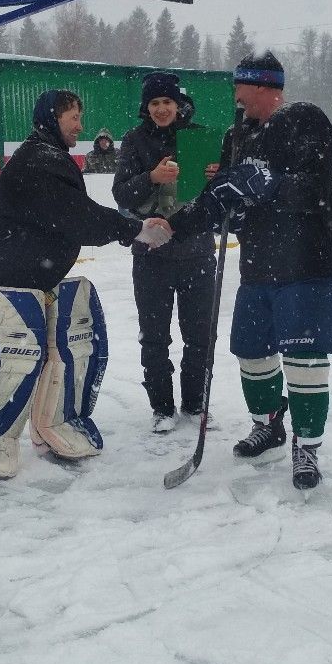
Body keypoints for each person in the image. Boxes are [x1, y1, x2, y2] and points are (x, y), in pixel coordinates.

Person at [0, 89, 171, 483]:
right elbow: (79, 217)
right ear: (53, 118)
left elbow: (74, 217)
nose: (80, 126)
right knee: (7, 362)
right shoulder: (39, 161)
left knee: (58, 354)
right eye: (74, 118)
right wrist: (135, 230)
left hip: (35, 276)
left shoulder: (50, 157)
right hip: (9, 278)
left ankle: (53, 424)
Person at [175, 51, 332, 491]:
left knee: (304, 359)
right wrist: (181, 221)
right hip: (259, 264)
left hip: (309, 262)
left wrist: (267, 184)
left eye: (241, 88)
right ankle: (268, 424)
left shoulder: (305, 120)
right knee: (251, 350)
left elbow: (312, 188)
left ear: (265, 87)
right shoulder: (237, 133)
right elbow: (228, 195)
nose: (237, 97)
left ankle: (307, 445)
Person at [112, 71, 217, 433]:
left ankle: (195, 403)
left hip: (197, 253)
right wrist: (151, 178)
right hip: (151, 257)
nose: (161, 109)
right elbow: (121, 193)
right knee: (155, 337)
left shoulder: (198, 136)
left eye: (167, 102)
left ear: (178, 104)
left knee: (200, 336)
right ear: (147, 107)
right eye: (154, 103)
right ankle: (162, 407)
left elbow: (216, 195)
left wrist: (215, 175)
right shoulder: (134, 140)